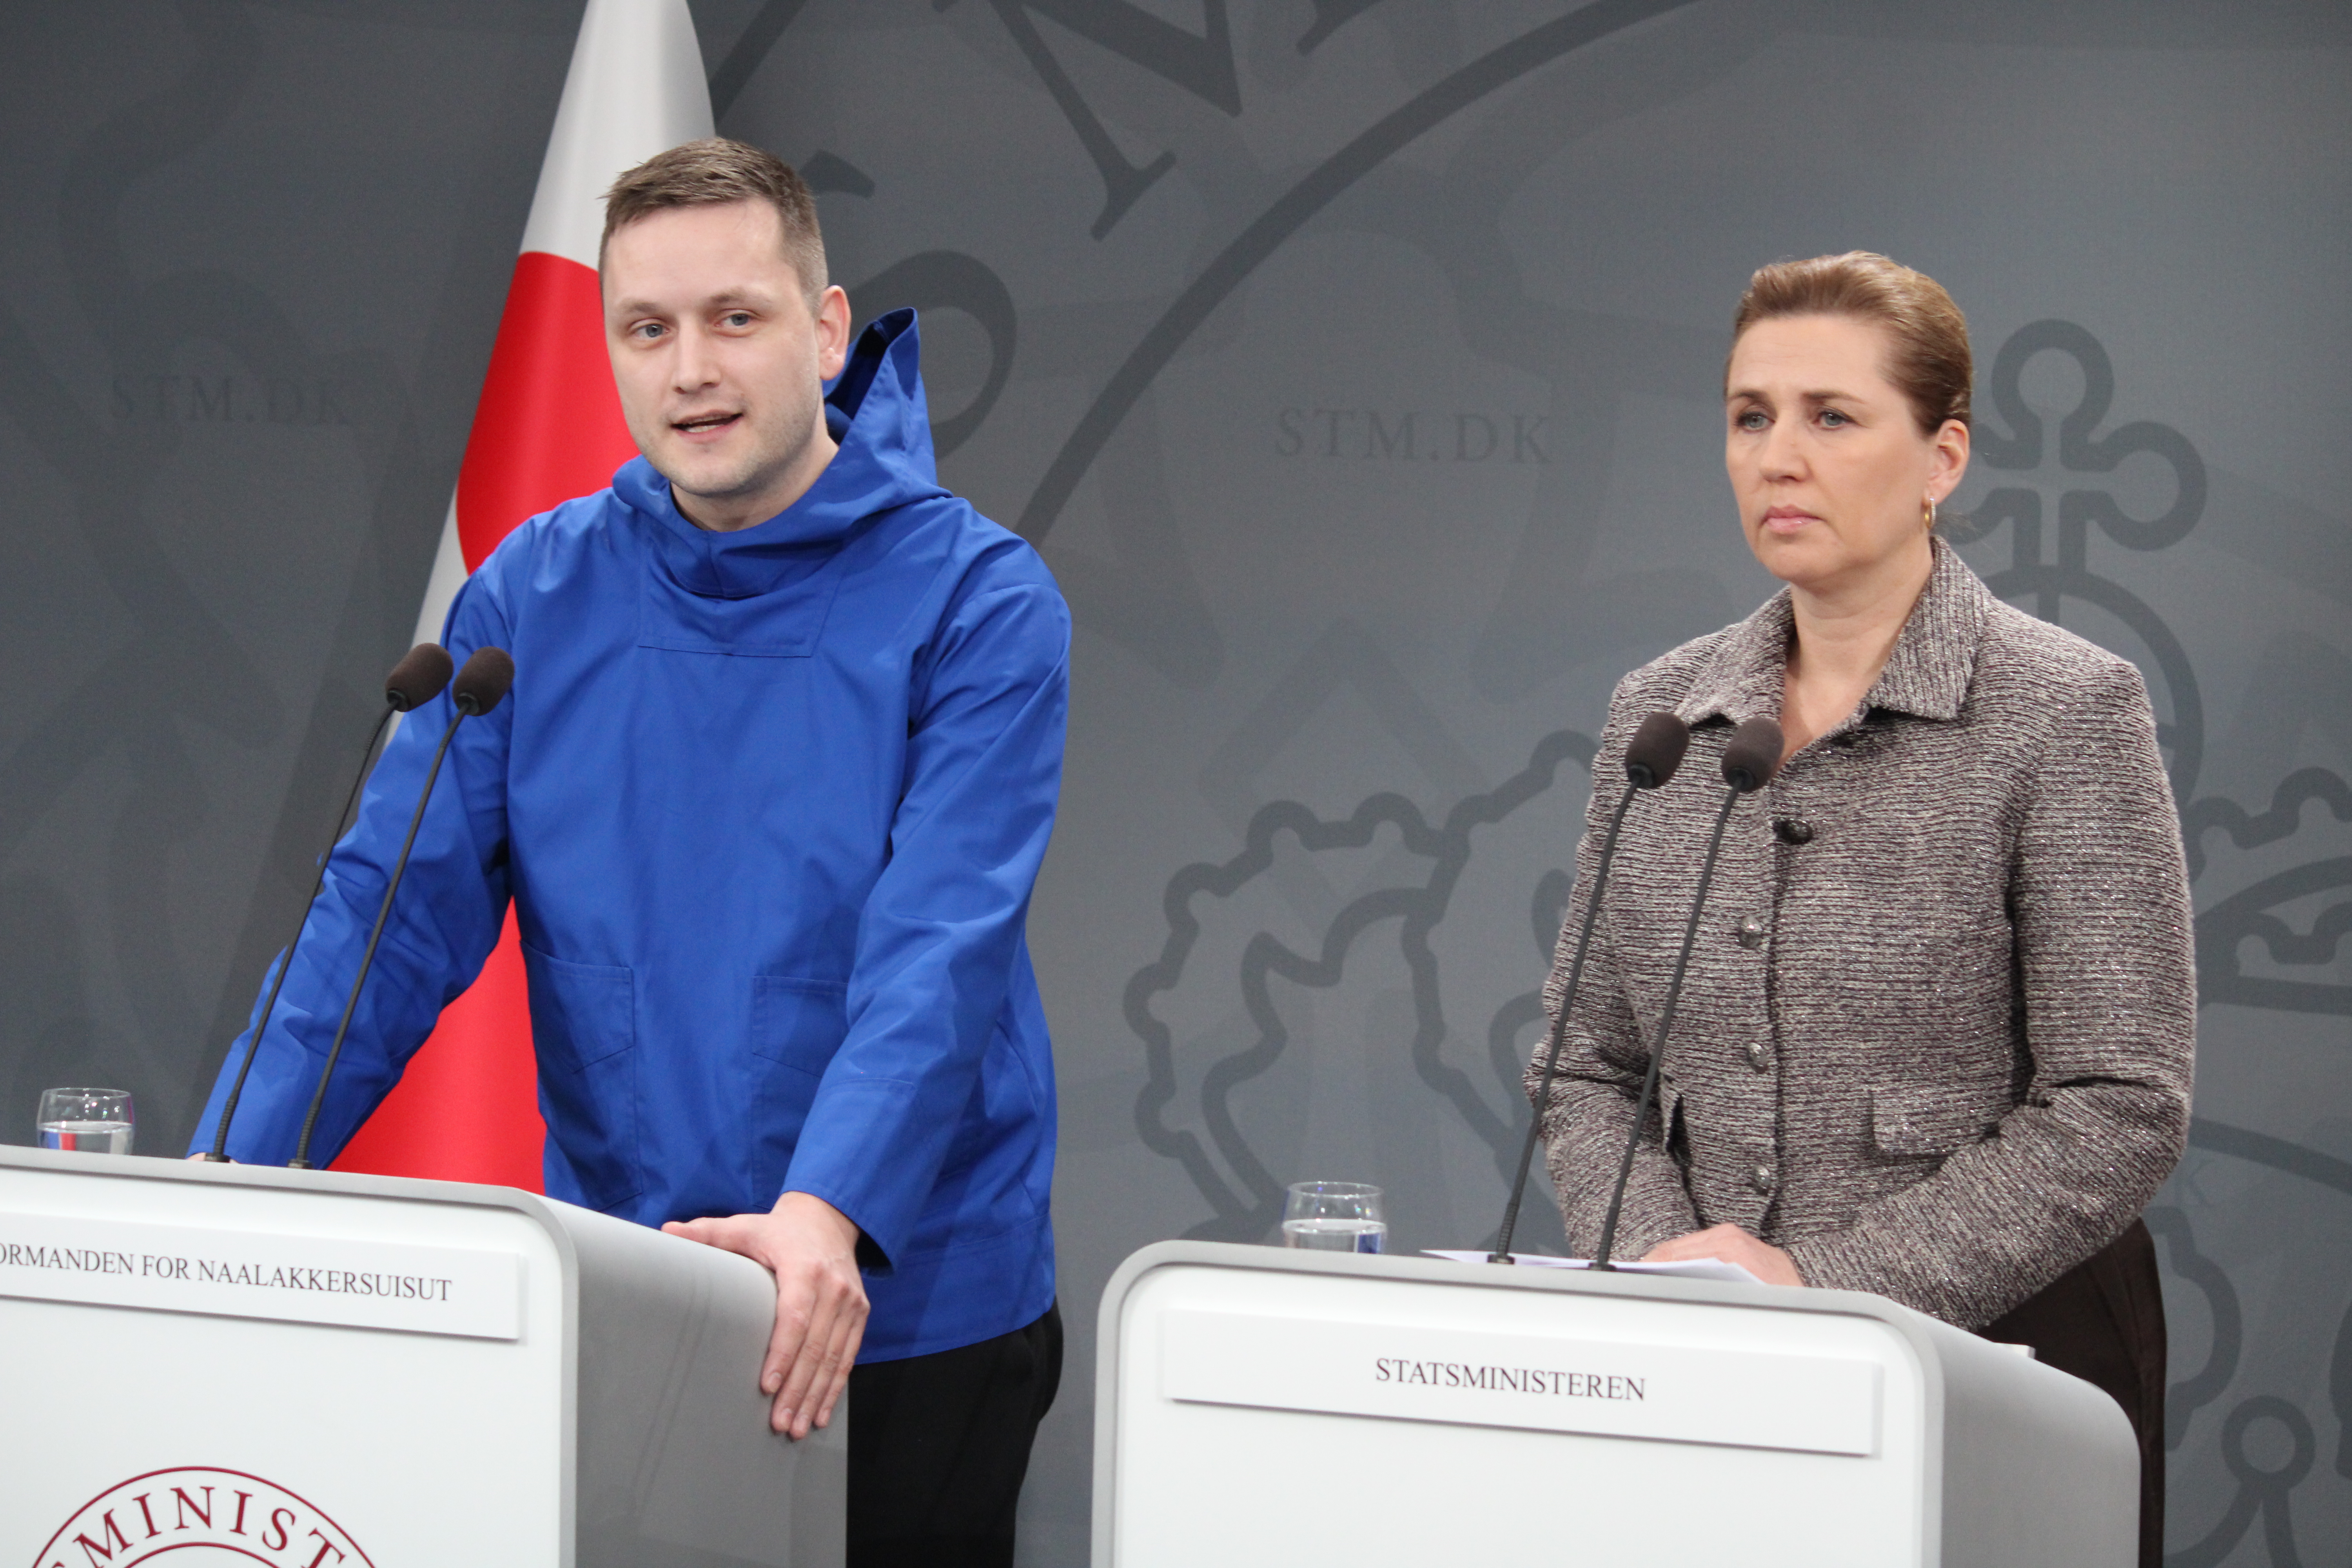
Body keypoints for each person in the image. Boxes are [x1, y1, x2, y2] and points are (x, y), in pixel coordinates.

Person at [191, 138, 1069, 1567]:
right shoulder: (530, 596)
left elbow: (940, 950)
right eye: (646, 330)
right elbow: (380, 922)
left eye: (737, 318)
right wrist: (225, 1189)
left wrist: (827, 1217)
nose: (691, 371)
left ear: (827, 326)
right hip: (635, 1284)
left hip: (899, 1309)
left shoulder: (980, 600)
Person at [1530, 252, 2190, 1566]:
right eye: (1750, 415)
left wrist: (1828, 1294)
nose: (1780, 456)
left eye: (1832, 417)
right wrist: (1685, 1278)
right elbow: (1582, 1066)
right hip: (1707, 1379)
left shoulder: (2068, 710)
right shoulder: (1658, 717)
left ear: (1943, 457)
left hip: (2000, 1373)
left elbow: (2124, 1102)